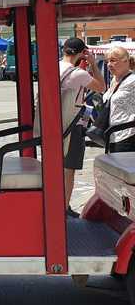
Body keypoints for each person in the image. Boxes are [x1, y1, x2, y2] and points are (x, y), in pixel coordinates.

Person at [58, 37, 106, 218]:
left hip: (54, 125)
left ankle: (55, 203)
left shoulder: (52, 67)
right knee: (68, 169)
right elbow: (101, 87)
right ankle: (64, 206)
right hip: (72, 125)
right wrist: (93, 63)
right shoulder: (78, 73)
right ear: (81, 53)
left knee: (54, 167)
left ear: (63, 50)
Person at [103, 46, 135, 152]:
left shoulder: (132, 81)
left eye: (113, 60)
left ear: (125, 61)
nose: (109, 64)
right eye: (107, 61)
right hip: (112, 134)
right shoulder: (114, 80)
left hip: (128, 134)